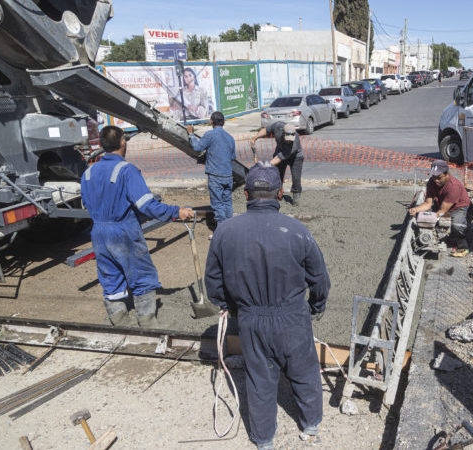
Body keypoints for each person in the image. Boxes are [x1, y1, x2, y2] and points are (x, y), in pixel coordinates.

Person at [204, 163, 330, 449]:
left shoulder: (225, 231)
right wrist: (316, 306)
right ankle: (310, 425)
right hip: (293, 316)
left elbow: (212, 280)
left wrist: (230, 307)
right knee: (303, 371)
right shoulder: (297, 231)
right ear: (280, 193)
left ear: (246, 194)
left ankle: (263, 440)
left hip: (251, 319)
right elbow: (319, 278)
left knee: (259, 379)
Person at [81, 126, 195, 327]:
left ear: (101, 145)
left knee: (110, 277)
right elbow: (146, 205)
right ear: (123, 142)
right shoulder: (126, 170)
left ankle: (120, 323)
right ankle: (148, 323)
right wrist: (176, 212)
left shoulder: (88, 173)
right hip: (123, 231)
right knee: (141, 276)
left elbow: (88, 203)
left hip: (99, 232)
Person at [408, 159, 473, 257]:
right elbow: (428, 203)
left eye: (439, 177)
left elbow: (443, 210)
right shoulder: (431, 183)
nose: (436, 180)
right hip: (443, 204)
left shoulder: (453, 187)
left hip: (460, 208)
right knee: (433, 219)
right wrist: (416, 210)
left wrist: (431, 219)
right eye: (434, 177)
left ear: (447, 174)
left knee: (457, 225)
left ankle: (463, 244)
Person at [187, 112, 236, 229]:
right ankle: (230, 230)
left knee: (218, 205)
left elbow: (197, 147)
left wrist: (191, 134)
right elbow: (233, 157)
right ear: (223, 122)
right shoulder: (230, 138)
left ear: (212, 122)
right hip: (228, 176)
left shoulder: (210, 135)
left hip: (216, 176)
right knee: (227, 203)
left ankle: (221, 232)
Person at [249, 121, 304, 206]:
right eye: (287, 138)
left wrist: (264, 167)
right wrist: (256, 137)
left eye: (291, 139)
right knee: (277, 174)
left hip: (296, 157)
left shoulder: (294, 144)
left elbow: (277, 159)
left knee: (296, 178)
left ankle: (296, 198)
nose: (289, 141)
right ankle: (278, 193)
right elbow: (266, 130)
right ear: (283, 132)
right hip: (280, 151)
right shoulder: (278, 126)